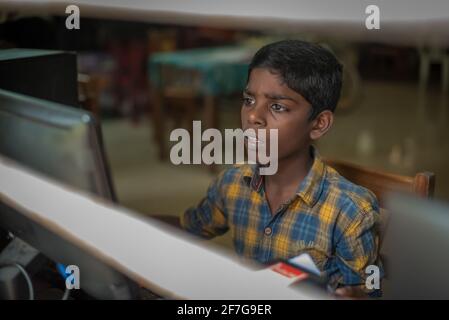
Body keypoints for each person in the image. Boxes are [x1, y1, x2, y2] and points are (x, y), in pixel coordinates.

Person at [157, 40, 382, 297]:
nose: (253, 116)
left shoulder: (350, 212)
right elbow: (189, 227)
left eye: (277, 106)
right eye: (248, 100)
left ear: (319, 124)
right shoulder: (232, 184)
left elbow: (367, 292)